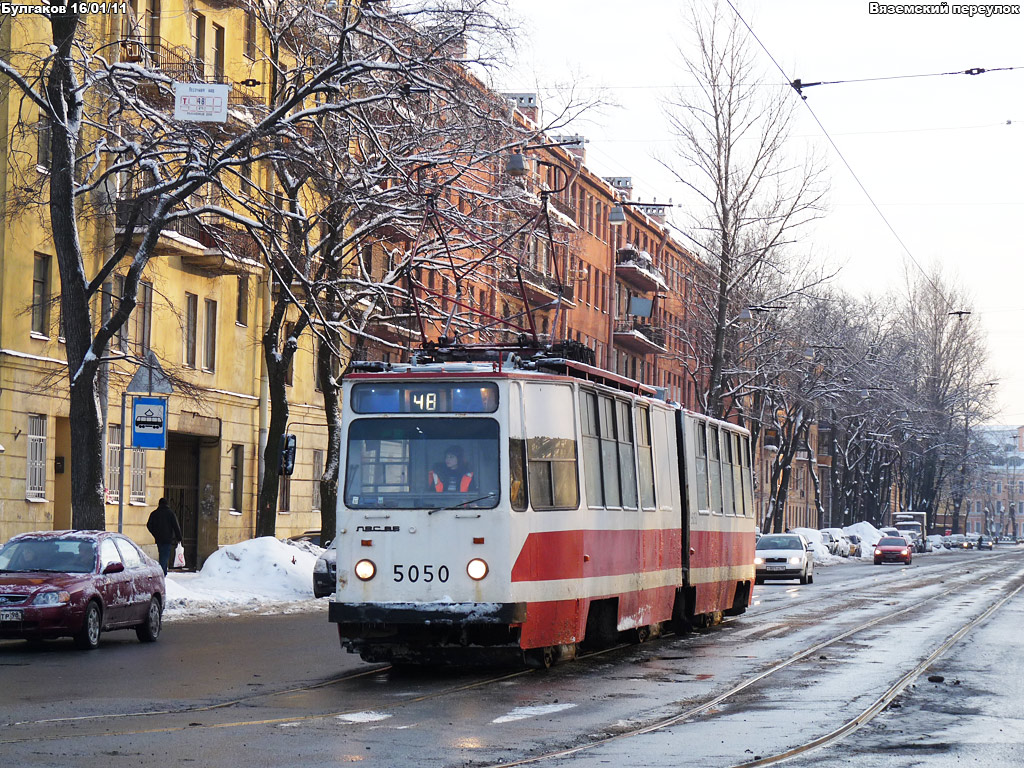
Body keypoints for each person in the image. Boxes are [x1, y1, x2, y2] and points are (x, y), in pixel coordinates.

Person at [147, 497, 182, 575]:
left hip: (159, 539)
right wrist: (179, 537)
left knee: (162, 555)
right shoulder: (170, 513)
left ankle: (164, 572)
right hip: (168, 539)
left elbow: (149, 525)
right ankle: (162, 573)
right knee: (165, 556)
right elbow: (176, 526)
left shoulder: (154, 513)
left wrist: (155, 534)